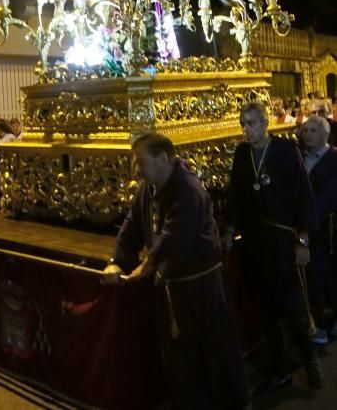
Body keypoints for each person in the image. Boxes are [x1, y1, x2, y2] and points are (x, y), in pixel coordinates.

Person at [102, 132, 250, 410]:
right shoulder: (148, 188)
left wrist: (146, 266)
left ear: (163, 158)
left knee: (214, 351)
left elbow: (173, 238)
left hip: (201, 288)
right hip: (171, 288)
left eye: (140, 162)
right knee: (180, 358)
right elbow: (131, 226)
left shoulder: (187, 189)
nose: (136, 170)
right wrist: (118, 261)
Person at [224, 102, 322, 392]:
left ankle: (310, 360)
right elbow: (235, 195)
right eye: (243, 124)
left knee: (292, 307)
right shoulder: (242, 155)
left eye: (252, 123)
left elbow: (302, 193)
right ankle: (279, 367)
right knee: (266, 310)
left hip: (282, 239)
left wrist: (303, 239)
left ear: (265, 123)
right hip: (254, 242)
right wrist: (230, 228)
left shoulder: (284, 150)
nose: (247, 130)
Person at [300, 116, 337, 344]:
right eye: (304, 131)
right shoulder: (300, 158)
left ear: (325, 134)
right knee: (314, 276)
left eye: (312, 130)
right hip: (310, 229)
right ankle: (321, 323)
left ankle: (330, 321)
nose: (307, 135)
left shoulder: (334, 159)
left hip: (328, 229)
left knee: (330, 274)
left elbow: (328, 197)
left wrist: (305, 218)